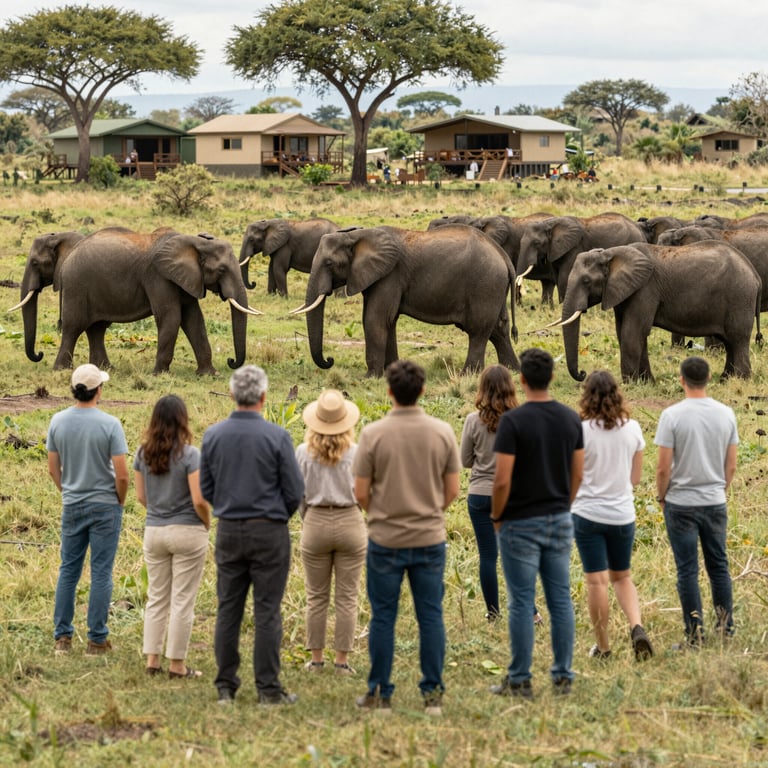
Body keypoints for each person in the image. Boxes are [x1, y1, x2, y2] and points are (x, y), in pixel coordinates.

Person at [353, 360, 460, 716]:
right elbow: (453, 490)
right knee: (431, 616)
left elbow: (360, 492)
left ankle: (380, 693)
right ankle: (432, 695)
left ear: (389, 392)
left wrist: (380, 511)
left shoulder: (372, 434)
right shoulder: (442, 431)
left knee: (383, 617)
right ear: (424, 390)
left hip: (385, 537)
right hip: (429, 537)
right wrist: (430, 510)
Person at [199, 365, 305, 705]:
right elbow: (294, 490)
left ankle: (225, 687)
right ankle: (268, 689)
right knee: (267, 611)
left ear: (231, 395)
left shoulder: (213, 436)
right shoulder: (278, 436)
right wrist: (275, 517)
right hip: (269, 530)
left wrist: (230, 508)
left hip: (229, 528)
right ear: (263, 396)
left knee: (228, 608)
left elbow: (206, 488)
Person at [490, 348, 583, 699]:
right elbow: (578, 472)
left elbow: (501, 480)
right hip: (558, 517)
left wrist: (498, 515)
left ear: (523, 380)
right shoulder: (570, 418)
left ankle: (520, 679)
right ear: (553, 378)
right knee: (560, 599)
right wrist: (565, 504)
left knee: (520, 601)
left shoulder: (512, 422)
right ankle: (562, 676)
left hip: (519, 521)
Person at [47, 364, 129, 656]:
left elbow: (53, 469)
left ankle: (62, 639)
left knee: (68, 570)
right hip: (105, 505)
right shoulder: (110, 424)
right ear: (99, 390)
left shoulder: (57, 421)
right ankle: (96, 640)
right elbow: (122, 474)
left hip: (73, 504)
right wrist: (119, 500)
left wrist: (68, 490)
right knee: (101, 572)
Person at [655, 356, 737, 647]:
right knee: (719, 565)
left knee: (687, 569)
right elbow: (731, 465)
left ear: (681, 380)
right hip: (714, 499)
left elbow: (663, 467)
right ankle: (726, 629)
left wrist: (662, 496)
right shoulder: (726, 414)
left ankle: (695, 634)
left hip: (681, 503)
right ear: (709, 379)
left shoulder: (672, 416)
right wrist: (720, 489)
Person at [571, 371, 653, 661]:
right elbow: (635, 479)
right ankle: (637, 626)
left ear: (587, 396)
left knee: (596, 582)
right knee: (622, 577)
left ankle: (604, 648)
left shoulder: (581, 431)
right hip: (622, 514)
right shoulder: (632, 429)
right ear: (617, 394)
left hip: (587, 514)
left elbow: (576, 476)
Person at [134, 395, 211, 679]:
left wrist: (159, 511)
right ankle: (177, 665)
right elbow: (199, 499)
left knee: (156, 598)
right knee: (182, 600)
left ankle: (152, 660)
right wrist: (207, 523)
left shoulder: (142, 454)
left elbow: (141, 497)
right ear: (183, 420)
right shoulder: (191, 455)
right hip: (187, 531)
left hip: (154, 530)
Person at [460, 365, 543, 625]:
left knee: (488, 556)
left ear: (482, 388)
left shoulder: (473, 420)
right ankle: (529, 611)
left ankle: (493, 613)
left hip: (479, 494)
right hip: (512, 495)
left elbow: (465, 460)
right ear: (511, 387)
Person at [296, 389, 366, 676]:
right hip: (350, 520)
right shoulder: (357, 452)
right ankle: (342, 661)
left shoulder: (302, 452)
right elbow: (364, 493)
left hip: (315, 521)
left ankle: (316, 660)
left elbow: (298, 494)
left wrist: (308, 518)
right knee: (347, 596)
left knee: (316, 596)